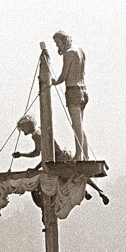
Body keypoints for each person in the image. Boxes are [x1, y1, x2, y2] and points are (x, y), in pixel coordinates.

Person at [12, 116, 109, 205]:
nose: (22, 130)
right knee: (78, 174)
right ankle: (96, 191)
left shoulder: (36, 135)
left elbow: (45, 155)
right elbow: (37, 153)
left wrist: (35, 168)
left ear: (28, 125)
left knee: (67, 176)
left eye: (22, 127)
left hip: (59, 158)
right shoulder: (39, 131)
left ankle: (91, 192)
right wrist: (21, 155)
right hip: (62, 155)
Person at [51, 31, 88, 160]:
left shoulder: (68, 54)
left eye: (58, 43)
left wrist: (55, 82)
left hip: (73, 91)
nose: (58, 47)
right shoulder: (80, 50)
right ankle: (85, 154)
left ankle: (79, 155)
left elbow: (64, 74)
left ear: (63, 40)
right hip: (83, 90)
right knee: (79, 125)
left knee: (76, 126)